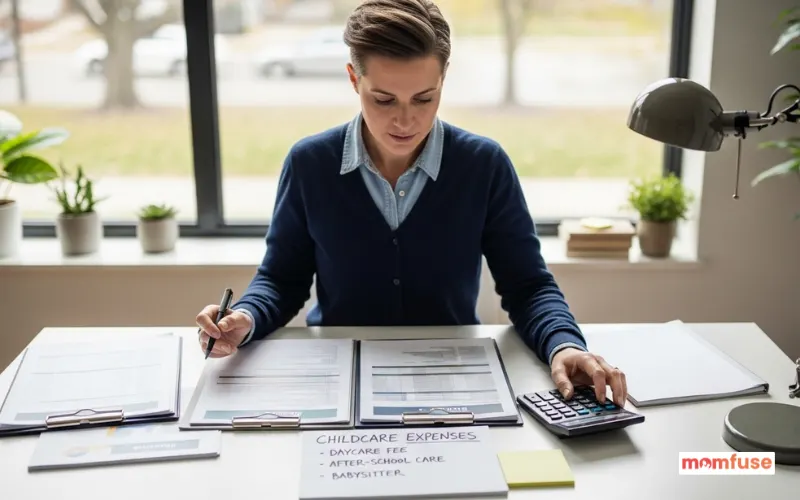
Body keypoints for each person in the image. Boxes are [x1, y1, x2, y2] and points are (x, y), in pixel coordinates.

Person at [195, 0, 627, 406]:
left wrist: (564, 344)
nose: (405, 120)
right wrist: (245, 317)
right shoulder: (310, 163)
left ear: (443, 79)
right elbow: (281, 279)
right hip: (339, 380)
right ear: (353, 79)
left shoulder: (483, 164)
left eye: (425, 98)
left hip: (454, 379)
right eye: (383, 99)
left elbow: (528, 286)